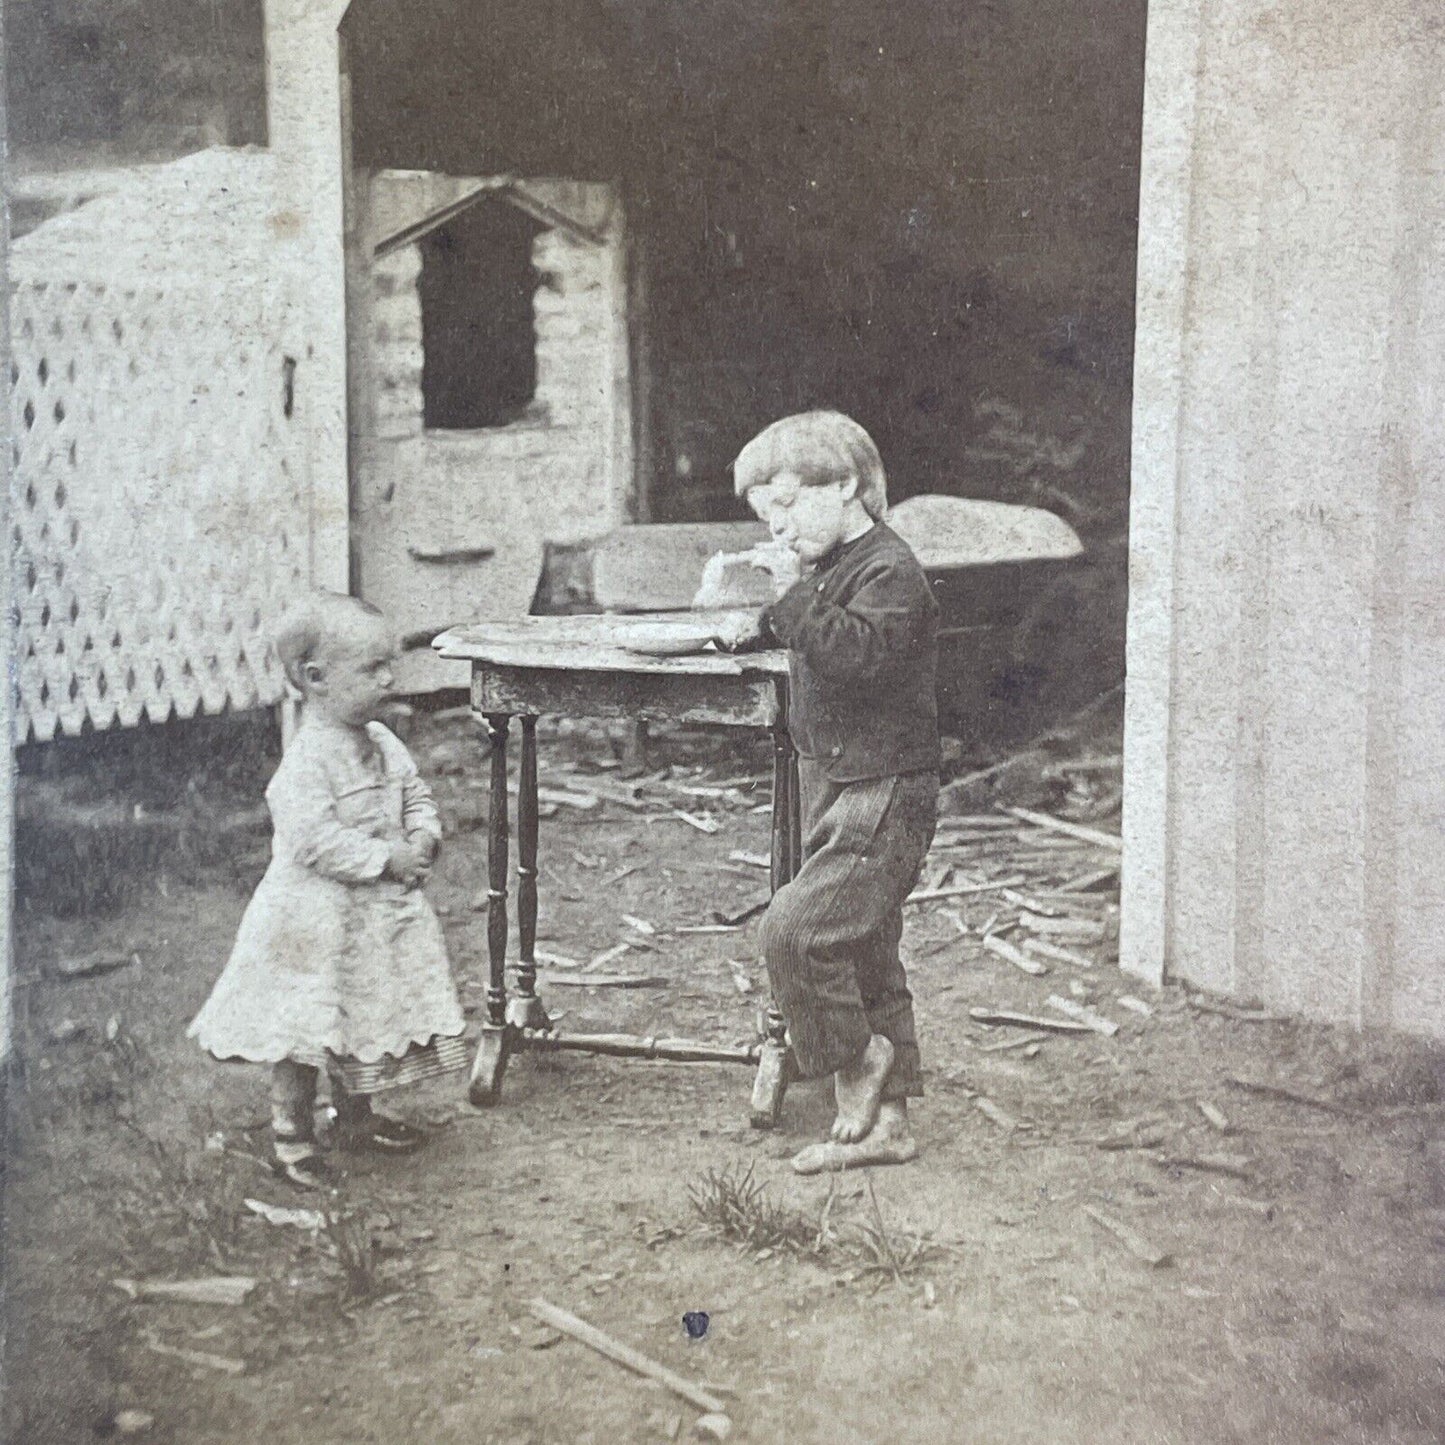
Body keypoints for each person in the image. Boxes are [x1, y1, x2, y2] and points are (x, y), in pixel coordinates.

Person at [716, 411, 940, 1174]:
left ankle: (857, 1058)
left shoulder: (891, 570)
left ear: (845, 483)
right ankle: (891, 1126)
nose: (776, 526)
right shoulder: (831, 567)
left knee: (795, 932)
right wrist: (755, 622)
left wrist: (793, 600)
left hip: (884, 784)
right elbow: (816, 631)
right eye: (764, 515)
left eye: (784, 505)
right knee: (867, 950)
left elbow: (861, 655)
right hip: (838, 775)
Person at [188, 592, 466, 1189]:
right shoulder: (306, 762)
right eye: (371, 669)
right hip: (313, 922)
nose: (390, 678)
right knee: (306, 1030)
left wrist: (422, 833)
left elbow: (413, 791)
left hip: (370, 919)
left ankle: (355, 1119)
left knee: (362, 1018)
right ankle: (292, 1135)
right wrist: (384, 859)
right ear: (315, 679)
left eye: (388, 664)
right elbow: (313, 840)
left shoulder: (383, 741)